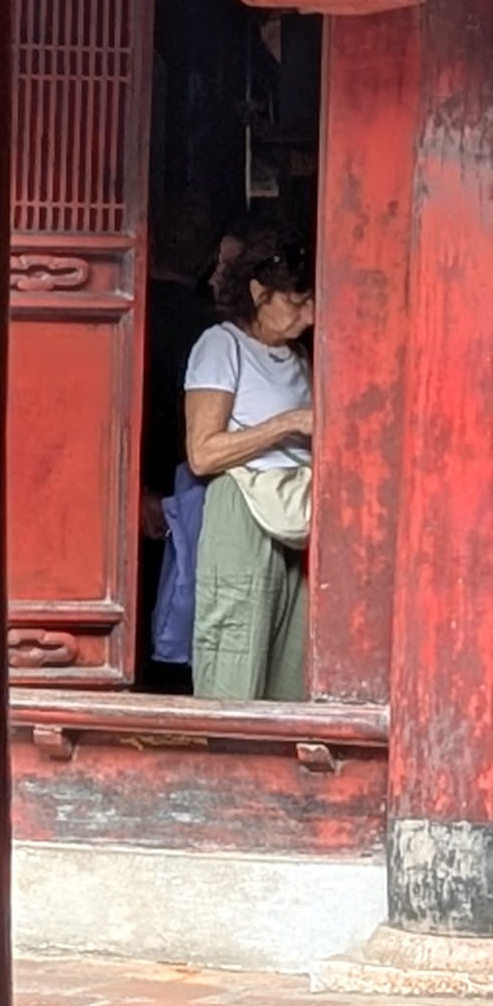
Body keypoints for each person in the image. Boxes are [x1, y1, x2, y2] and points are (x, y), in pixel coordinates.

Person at [183, 235, 315, 704]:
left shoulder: (300, 357)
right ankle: (224, 749)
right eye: (296, 302)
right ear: (259, 292)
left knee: (291, 666)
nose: (309, 316)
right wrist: (289, 423)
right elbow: (202, 453)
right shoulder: (222, 346)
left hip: (296, 517)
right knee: (234, 651)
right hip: (243, 509)